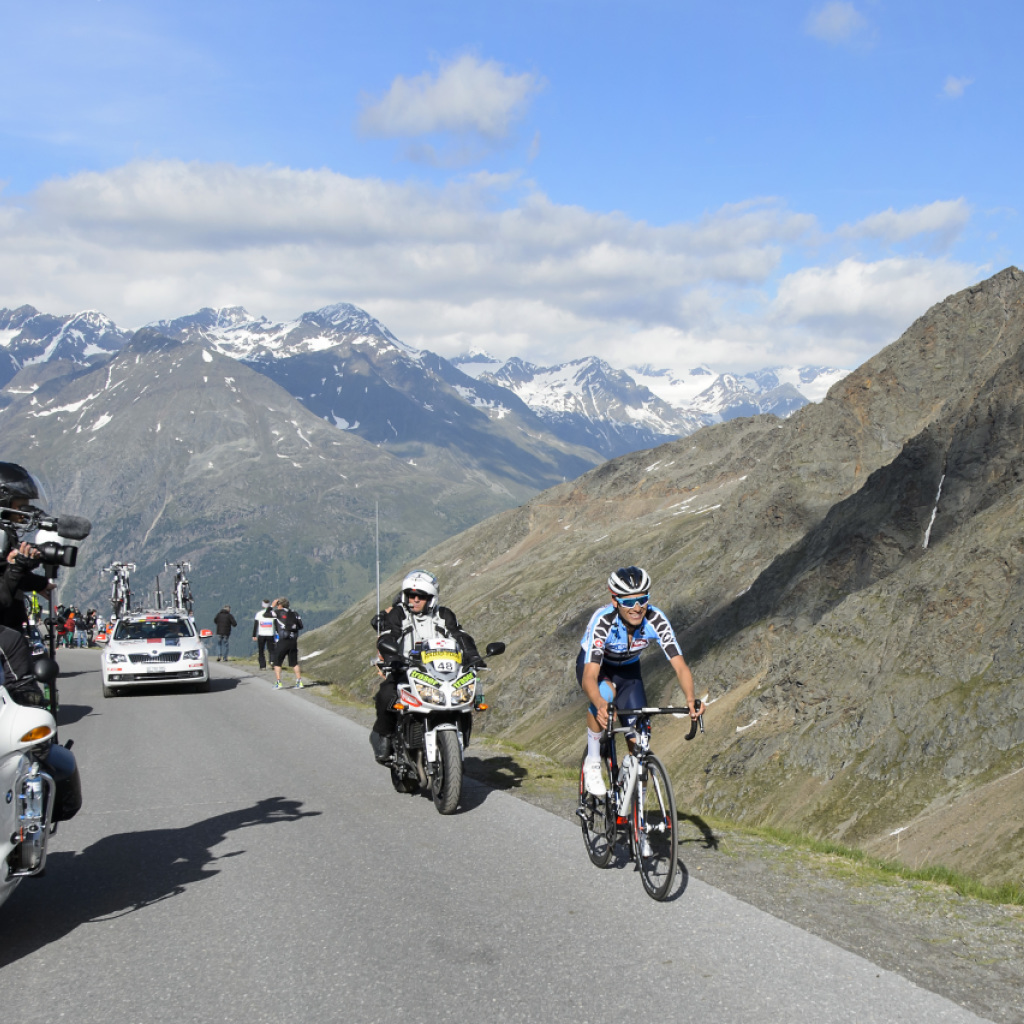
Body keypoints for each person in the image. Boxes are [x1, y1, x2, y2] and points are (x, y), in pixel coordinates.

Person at [578, 566, 702, 798]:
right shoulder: (603, 621)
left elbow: (680, 666)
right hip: (597, 667)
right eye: (628, 602)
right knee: (606, 693)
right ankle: (593, 763)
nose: (637, 608)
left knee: (639, 738)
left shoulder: (656, 619)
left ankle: (635, 811)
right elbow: (589, 677)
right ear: (615, 601)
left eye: (642, 600)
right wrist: (599, 703)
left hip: (628, 671)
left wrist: (690, 699)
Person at [368, 569, 482, 764]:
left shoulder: (444, 615)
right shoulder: (398, 614)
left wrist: (473, 656)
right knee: (386, 695)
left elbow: (460, 635)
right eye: (411, 595)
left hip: (442, 671)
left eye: (421, 596)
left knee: (467, 699)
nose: (415, 600)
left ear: (431, 598)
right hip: (404, 668)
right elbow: (388, 635)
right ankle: (383, 735)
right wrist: (391, 655)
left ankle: (457, 742)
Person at [0, 462, 57, 632]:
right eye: (21, 501)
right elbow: (6, 580)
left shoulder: (6, 532)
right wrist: (18, 567)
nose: (27, 507)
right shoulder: (2, 535)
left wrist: (38, 583)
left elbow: (5, 572)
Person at [271, 598, 304, 688]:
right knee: (294, 663)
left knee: (277, 662)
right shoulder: (295, 613)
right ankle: (299, 682)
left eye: (278, 604)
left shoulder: (277, 612)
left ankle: (278, 682)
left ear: (280, 605)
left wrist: (272, 606)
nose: (277, 606)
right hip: (293, 641)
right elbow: (301, 626)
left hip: (282, 641)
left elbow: (267, 614)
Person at [252, 598, 276, 670]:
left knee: (261, 650)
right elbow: (276, 624)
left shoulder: (259, 614)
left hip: (261, 634)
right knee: (271, 649)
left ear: (262, 605)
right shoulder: (273, 613)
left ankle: (262, 666)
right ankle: (272, 661)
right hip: (270, 634)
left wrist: (254, 635)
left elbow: (255, 625)